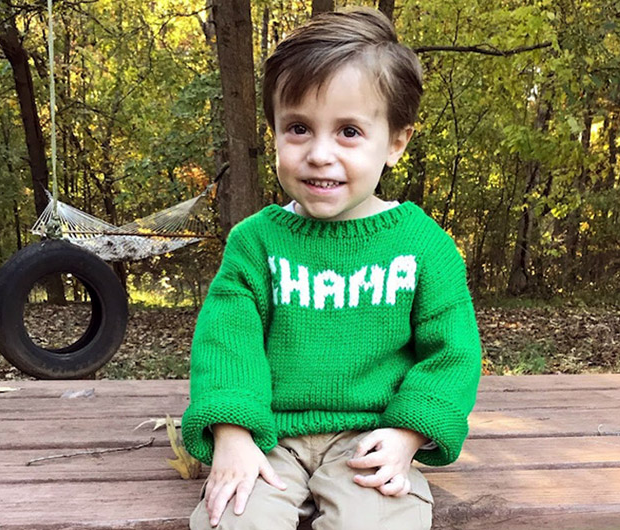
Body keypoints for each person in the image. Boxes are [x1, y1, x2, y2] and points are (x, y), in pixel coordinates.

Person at [182, 7, 481, 530]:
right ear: (274, 130)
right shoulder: (256, 243)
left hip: (371, 439)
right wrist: (231, 436)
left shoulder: (422, 245)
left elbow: (452, 353)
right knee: (235, 519)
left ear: (395, 142)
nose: (320, 154)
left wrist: (408, 434)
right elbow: (228, 346)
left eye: (348, 132)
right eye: (298, 127)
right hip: (266, 435)